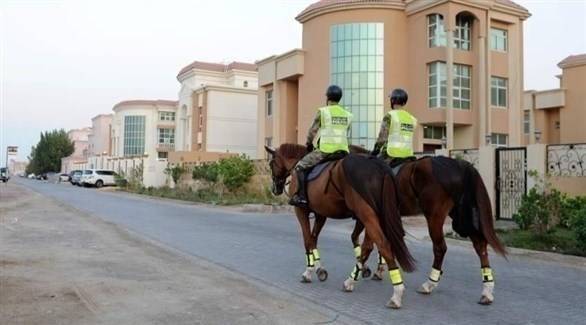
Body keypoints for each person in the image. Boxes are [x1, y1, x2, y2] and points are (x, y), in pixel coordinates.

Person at [289, 85, 353, 207]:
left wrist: (308, 144)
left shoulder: (323, 111)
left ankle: (301, 197)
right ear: (339, 98)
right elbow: (347, 131)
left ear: (328, 97)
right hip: (343, 151)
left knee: (300, 167)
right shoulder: (347, 114)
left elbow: (313, 131)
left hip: (326, 150)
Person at [371, 88, 418, 167]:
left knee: (372, 167)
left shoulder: (390, 115)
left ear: (392, 101)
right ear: (404, 102)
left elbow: (382, 138)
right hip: (408, 155)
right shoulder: (412, 119)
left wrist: (375, 150)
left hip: (391, 155)